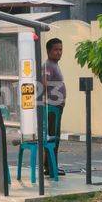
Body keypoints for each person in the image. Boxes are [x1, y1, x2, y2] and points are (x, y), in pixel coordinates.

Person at [43, 38, 66, 176]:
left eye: (60, 49)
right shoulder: (48, 65)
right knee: (53, 138)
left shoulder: (54, 64)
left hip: (56, 107)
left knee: (53, 137)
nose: (59, 52)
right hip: (52, 107)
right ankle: (51, 168)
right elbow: (44, 83)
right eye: (56, 49)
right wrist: (54, 97)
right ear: (48, 51)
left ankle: (50, 166)